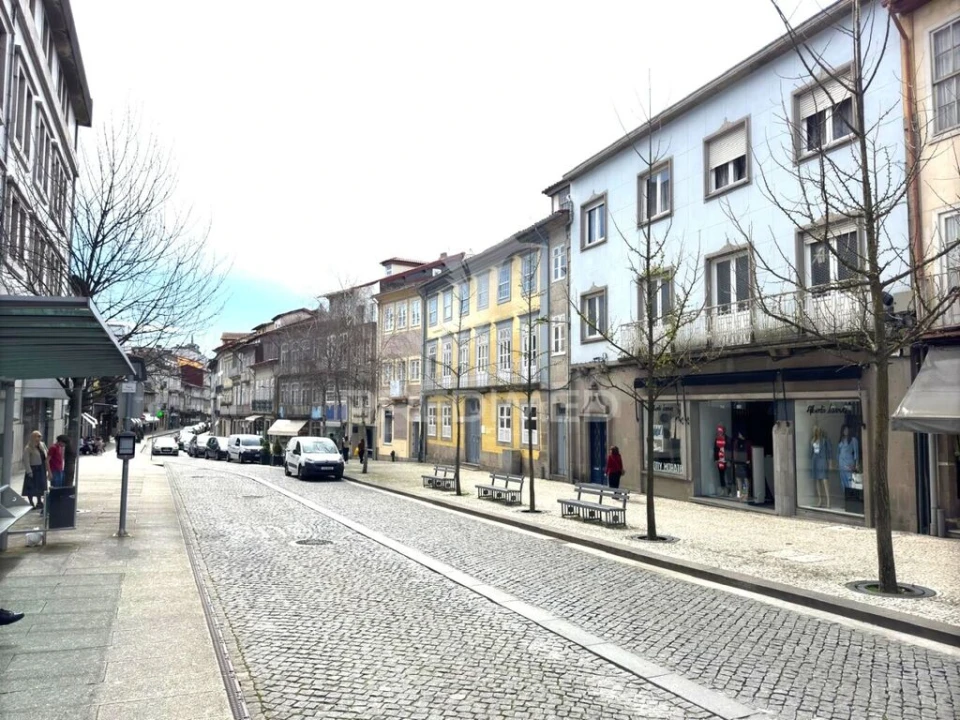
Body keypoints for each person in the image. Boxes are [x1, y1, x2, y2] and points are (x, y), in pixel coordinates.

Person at [22, 430, 48, 512]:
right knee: (31, 486)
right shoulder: (28, 448)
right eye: (37, 436)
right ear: (33, 437)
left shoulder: (42, 445)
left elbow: (46, 454)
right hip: (33, 469)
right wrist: (29, 471)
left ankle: (39, 502)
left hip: (41, 468)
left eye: (40, 436)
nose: (39, 438)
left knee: (41, 486)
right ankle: (30, 502)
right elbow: (26, 460)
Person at [837, 425, 860, 491]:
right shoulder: (841, 440)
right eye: (844, 430)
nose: (845, 431)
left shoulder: (853, 440)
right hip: (841, 464)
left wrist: (857, 464)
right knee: (843, 482)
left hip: (849, 463)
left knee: (850, 481)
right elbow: (838, 452)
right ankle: (846, 497)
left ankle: (852, 496)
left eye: (847, 430)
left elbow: (856, 453)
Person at [713, 425, 732, 496]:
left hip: (726, 459)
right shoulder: (717, 439)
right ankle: (723, 490)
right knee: (721, 475)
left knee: (728, 475)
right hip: (720, 460)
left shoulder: (728, 439)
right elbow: (715, 449)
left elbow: (730, 450)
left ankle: (729, 490)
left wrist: (730, 460)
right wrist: (716, 459)